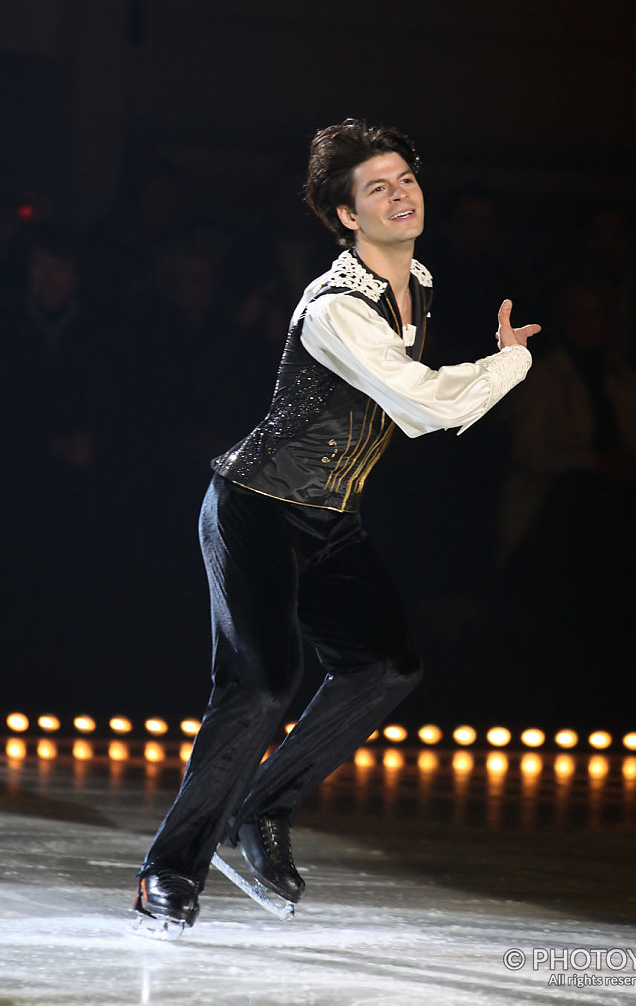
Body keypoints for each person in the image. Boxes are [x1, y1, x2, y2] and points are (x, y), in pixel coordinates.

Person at [134, 120, 540, 931]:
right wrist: (507, 363)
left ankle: (262, 810)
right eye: (377, 188)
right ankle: (167, 872)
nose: (400, 195)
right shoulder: (333, 307)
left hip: (330, 518)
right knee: (260, 682)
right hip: (255, 508)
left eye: (405, 179)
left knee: (385, 665)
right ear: (346, 215)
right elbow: (421, 405)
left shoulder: (416, 281)